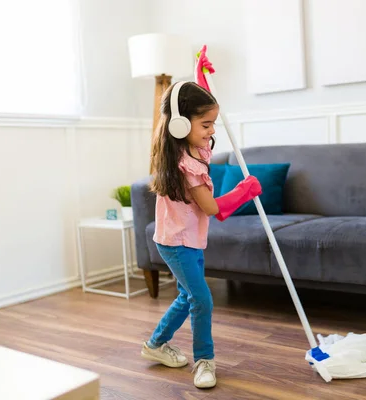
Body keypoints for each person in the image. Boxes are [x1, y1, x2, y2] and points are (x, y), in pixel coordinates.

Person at [140, 51, 262, 389]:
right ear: (182, 125)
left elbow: (188, 107)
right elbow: (214, 209)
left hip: (188, 238)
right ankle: (204, 360)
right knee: (202, 299)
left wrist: (200, 75)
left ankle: (154, 345)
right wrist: (245, 190)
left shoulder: (191, 145)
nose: (211, 132)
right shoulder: (185, 165)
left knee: (187, 295)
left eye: (213, 124)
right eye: (206, 125)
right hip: (177, 243)